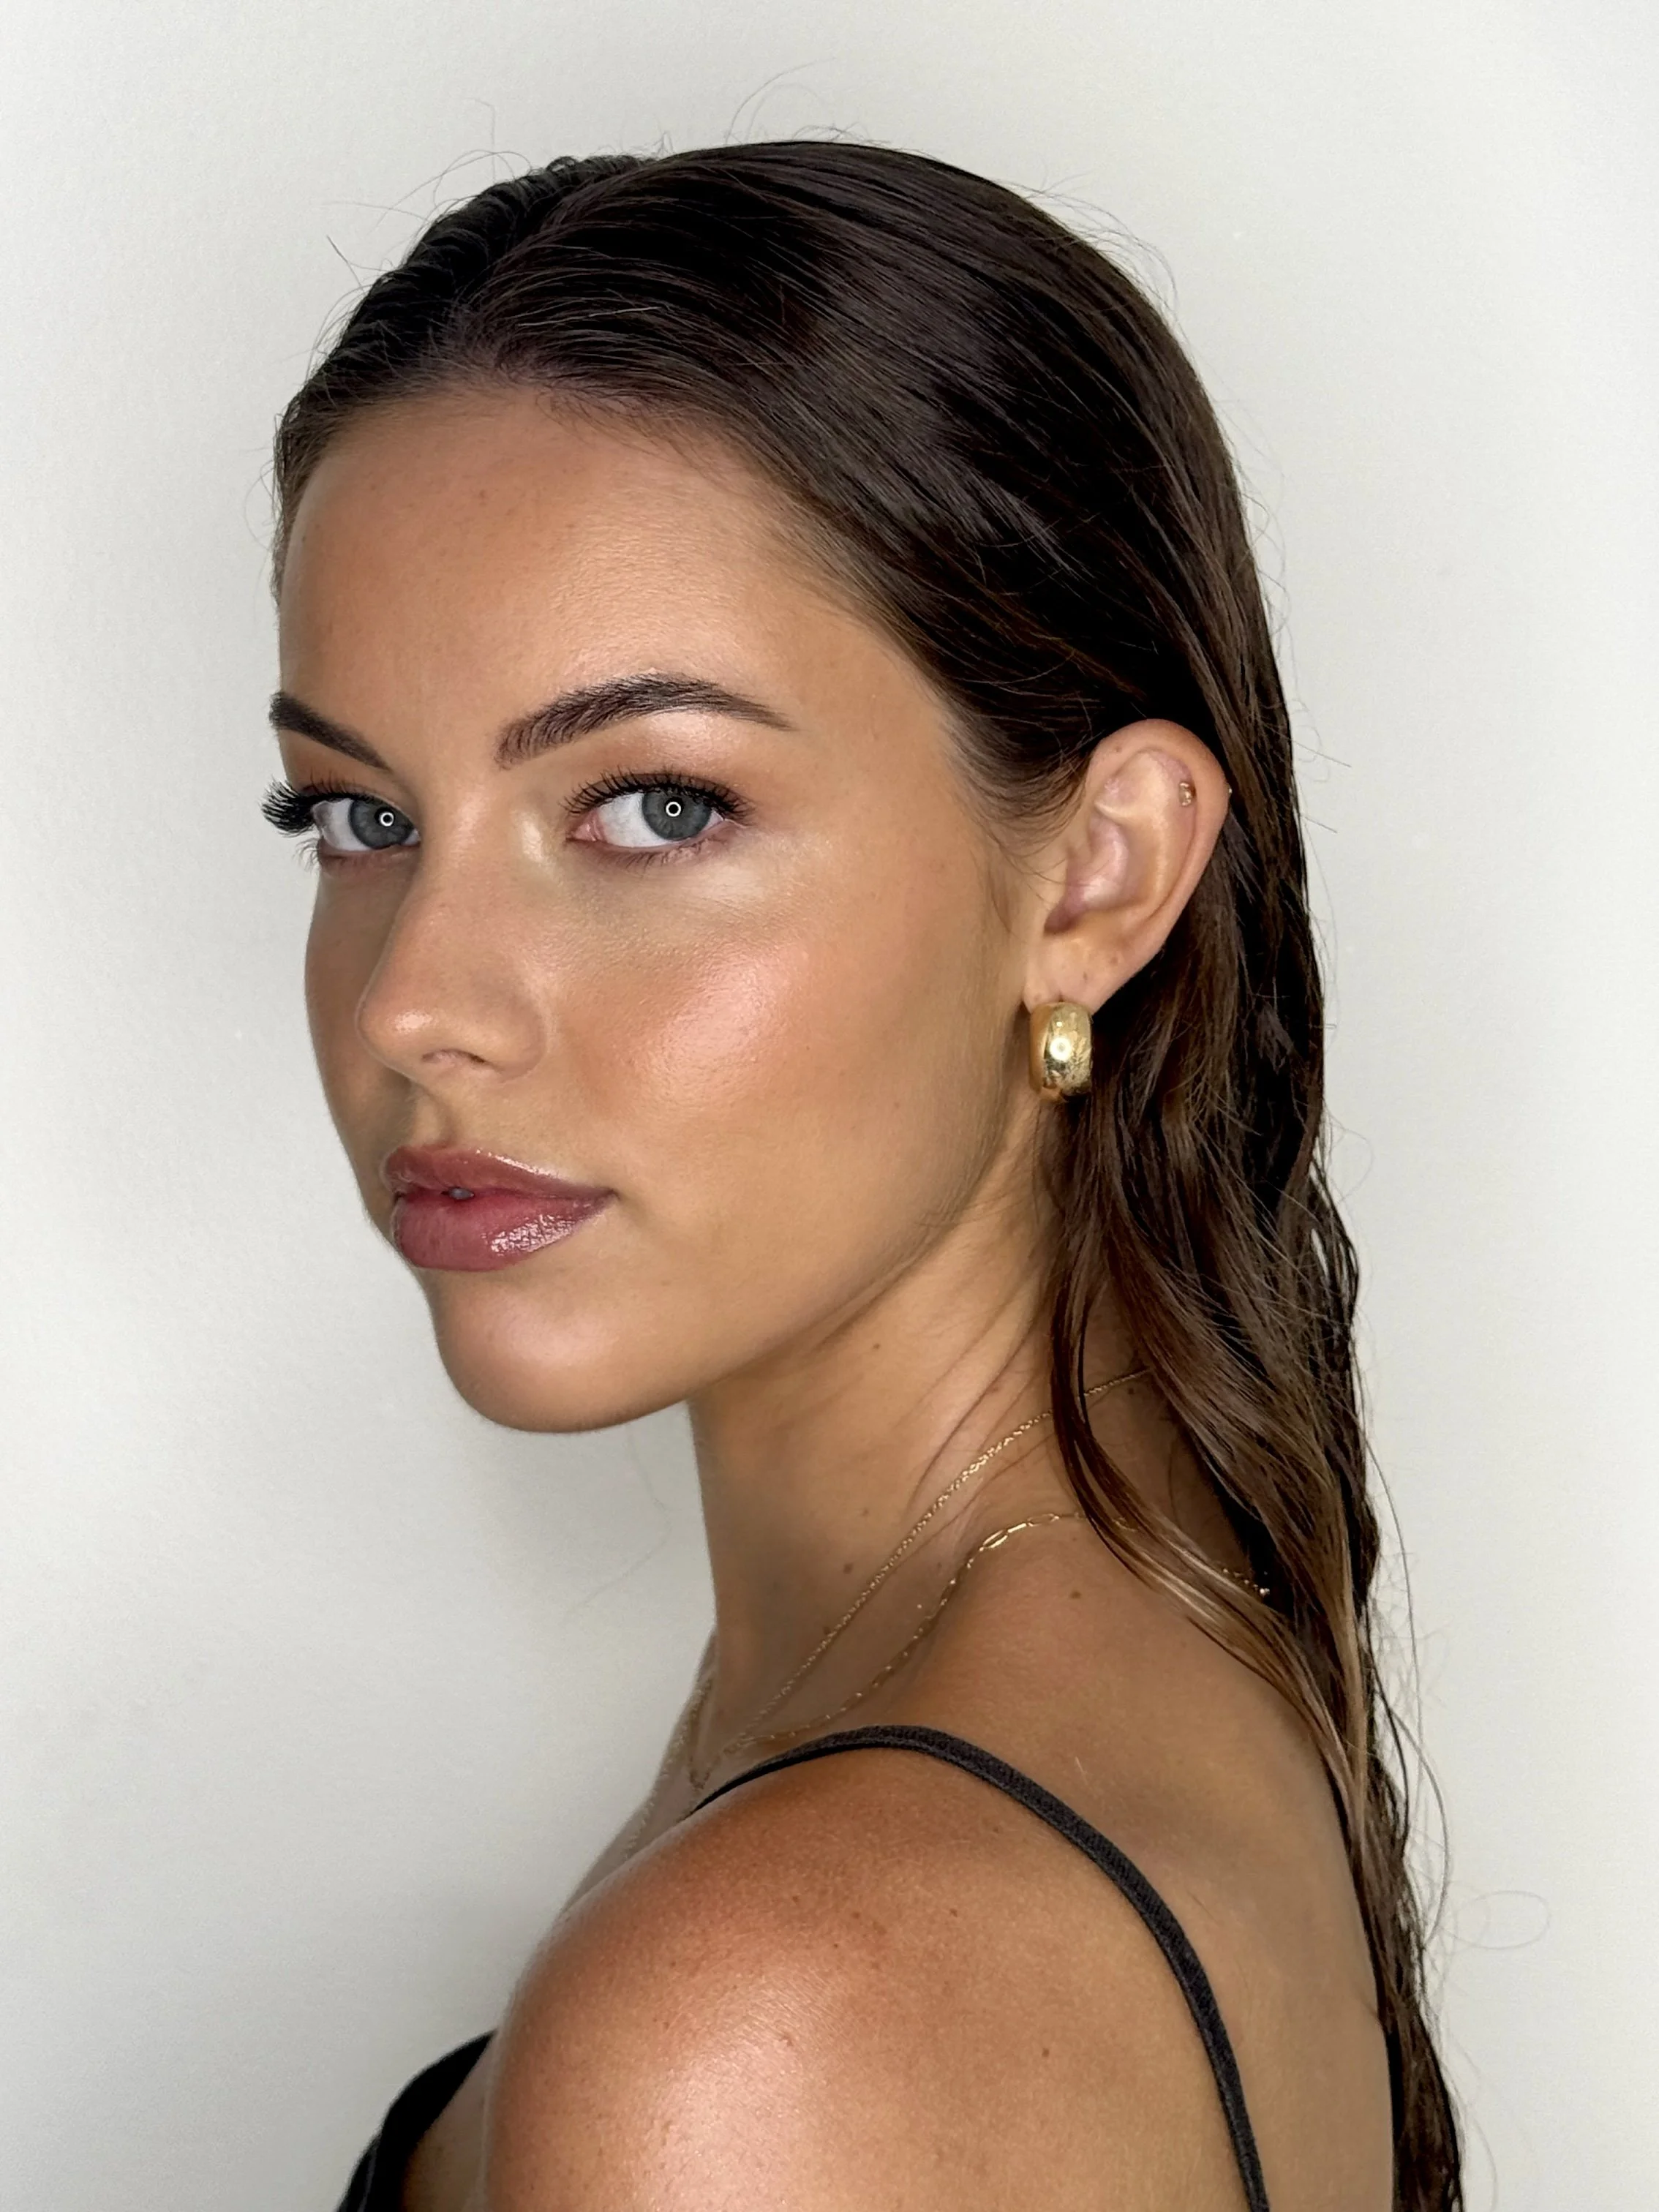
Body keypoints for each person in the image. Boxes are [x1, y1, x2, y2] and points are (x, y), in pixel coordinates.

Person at [264, 140, 1460, 2211]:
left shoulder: (767, 2017)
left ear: (1095, 877)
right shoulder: (1138, 1648)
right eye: (356, 820)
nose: (413, 1006)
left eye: (653, 803)